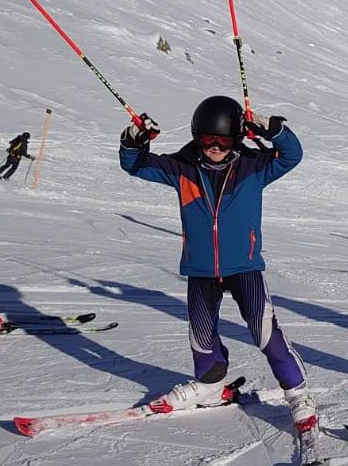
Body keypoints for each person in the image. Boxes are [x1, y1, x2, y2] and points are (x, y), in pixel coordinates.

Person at [118, 96, 316, 433]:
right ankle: (210, 387)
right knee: (201, 337)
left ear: (236, 138)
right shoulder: (182, 168)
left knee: (263, 330)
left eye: (223, 139)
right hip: (200, 269)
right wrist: (132, 140)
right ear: (196, 136)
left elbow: (292, 155)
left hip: (244, 267)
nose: (215, 146)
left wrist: (274, 130)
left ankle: (297, 393)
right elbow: (134, 165)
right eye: (208, 138)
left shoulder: (255, 166)